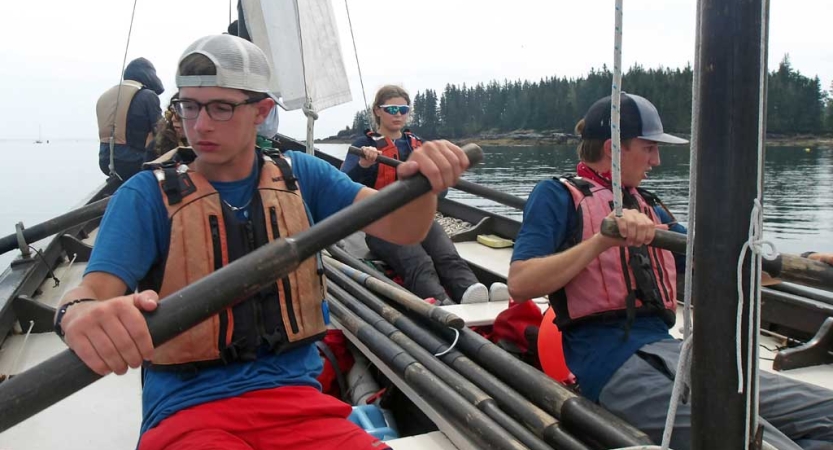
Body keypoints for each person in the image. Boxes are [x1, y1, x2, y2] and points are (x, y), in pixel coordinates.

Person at [55, 34, 469, 450]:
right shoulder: (145, 196)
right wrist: (78, 315)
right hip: (188, 415)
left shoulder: (302, 175)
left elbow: (404, 229)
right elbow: (90, 293)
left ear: (262, 111)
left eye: (220, 107)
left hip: (301, 407)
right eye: (189, 106)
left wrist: (422, 185)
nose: (200, 124)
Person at [507, 92, 833, 450]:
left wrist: (807, 261)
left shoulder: (649, 208)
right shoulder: (555, 195)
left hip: (672, 352)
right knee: (753, 443)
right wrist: (601, 241)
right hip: (615, 366)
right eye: (649, 148)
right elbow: (521, 283)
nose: (657, 161)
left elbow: (724, 268)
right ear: (614, 148)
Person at [342, 85, 509, 305]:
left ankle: (472, 291)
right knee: (419, 262)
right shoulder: (363, 146)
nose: (398, 115)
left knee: (448, 256)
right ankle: (441, 304)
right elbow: (344, 187)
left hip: (418, 218)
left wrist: (438, 179)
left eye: (403, 110)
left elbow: (441, 193)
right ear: (377, 111)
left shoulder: (419, 146)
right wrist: (363, 165)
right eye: (391, 110)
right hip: (381, 225)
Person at [96, 57, 164, 180]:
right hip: (134, 162)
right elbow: (162, 132)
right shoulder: (148, 95)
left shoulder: (105, 96)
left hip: (105, 162)